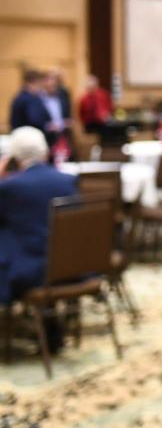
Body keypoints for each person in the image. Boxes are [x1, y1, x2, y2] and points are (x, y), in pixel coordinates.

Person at [0, 127, 77, 352]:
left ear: (14, 157)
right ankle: (48, 323)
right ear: (44, 151)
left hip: (32, 269)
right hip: (72, 264)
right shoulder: (68, 181)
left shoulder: (11, 187)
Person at [9, 69, 49, 133]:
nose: (41, 87)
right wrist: (47, 126)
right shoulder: (28, 99)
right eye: (40, 84)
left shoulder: (21, 96)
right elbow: (34, 120)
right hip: (28, 136)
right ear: (34, 82)